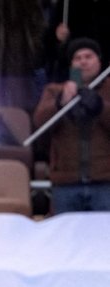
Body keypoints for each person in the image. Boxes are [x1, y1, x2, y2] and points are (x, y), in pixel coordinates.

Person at [33, 38, 110, 214]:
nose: (83, 61)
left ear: (99, 60)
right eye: (77, 58)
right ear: (71, 65)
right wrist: (60, 103)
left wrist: (100, 107)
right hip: (66, 183)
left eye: (88, 56)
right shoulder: (54, 90)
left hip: (105, 182)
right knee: (65, 238)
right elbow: (39, 124)